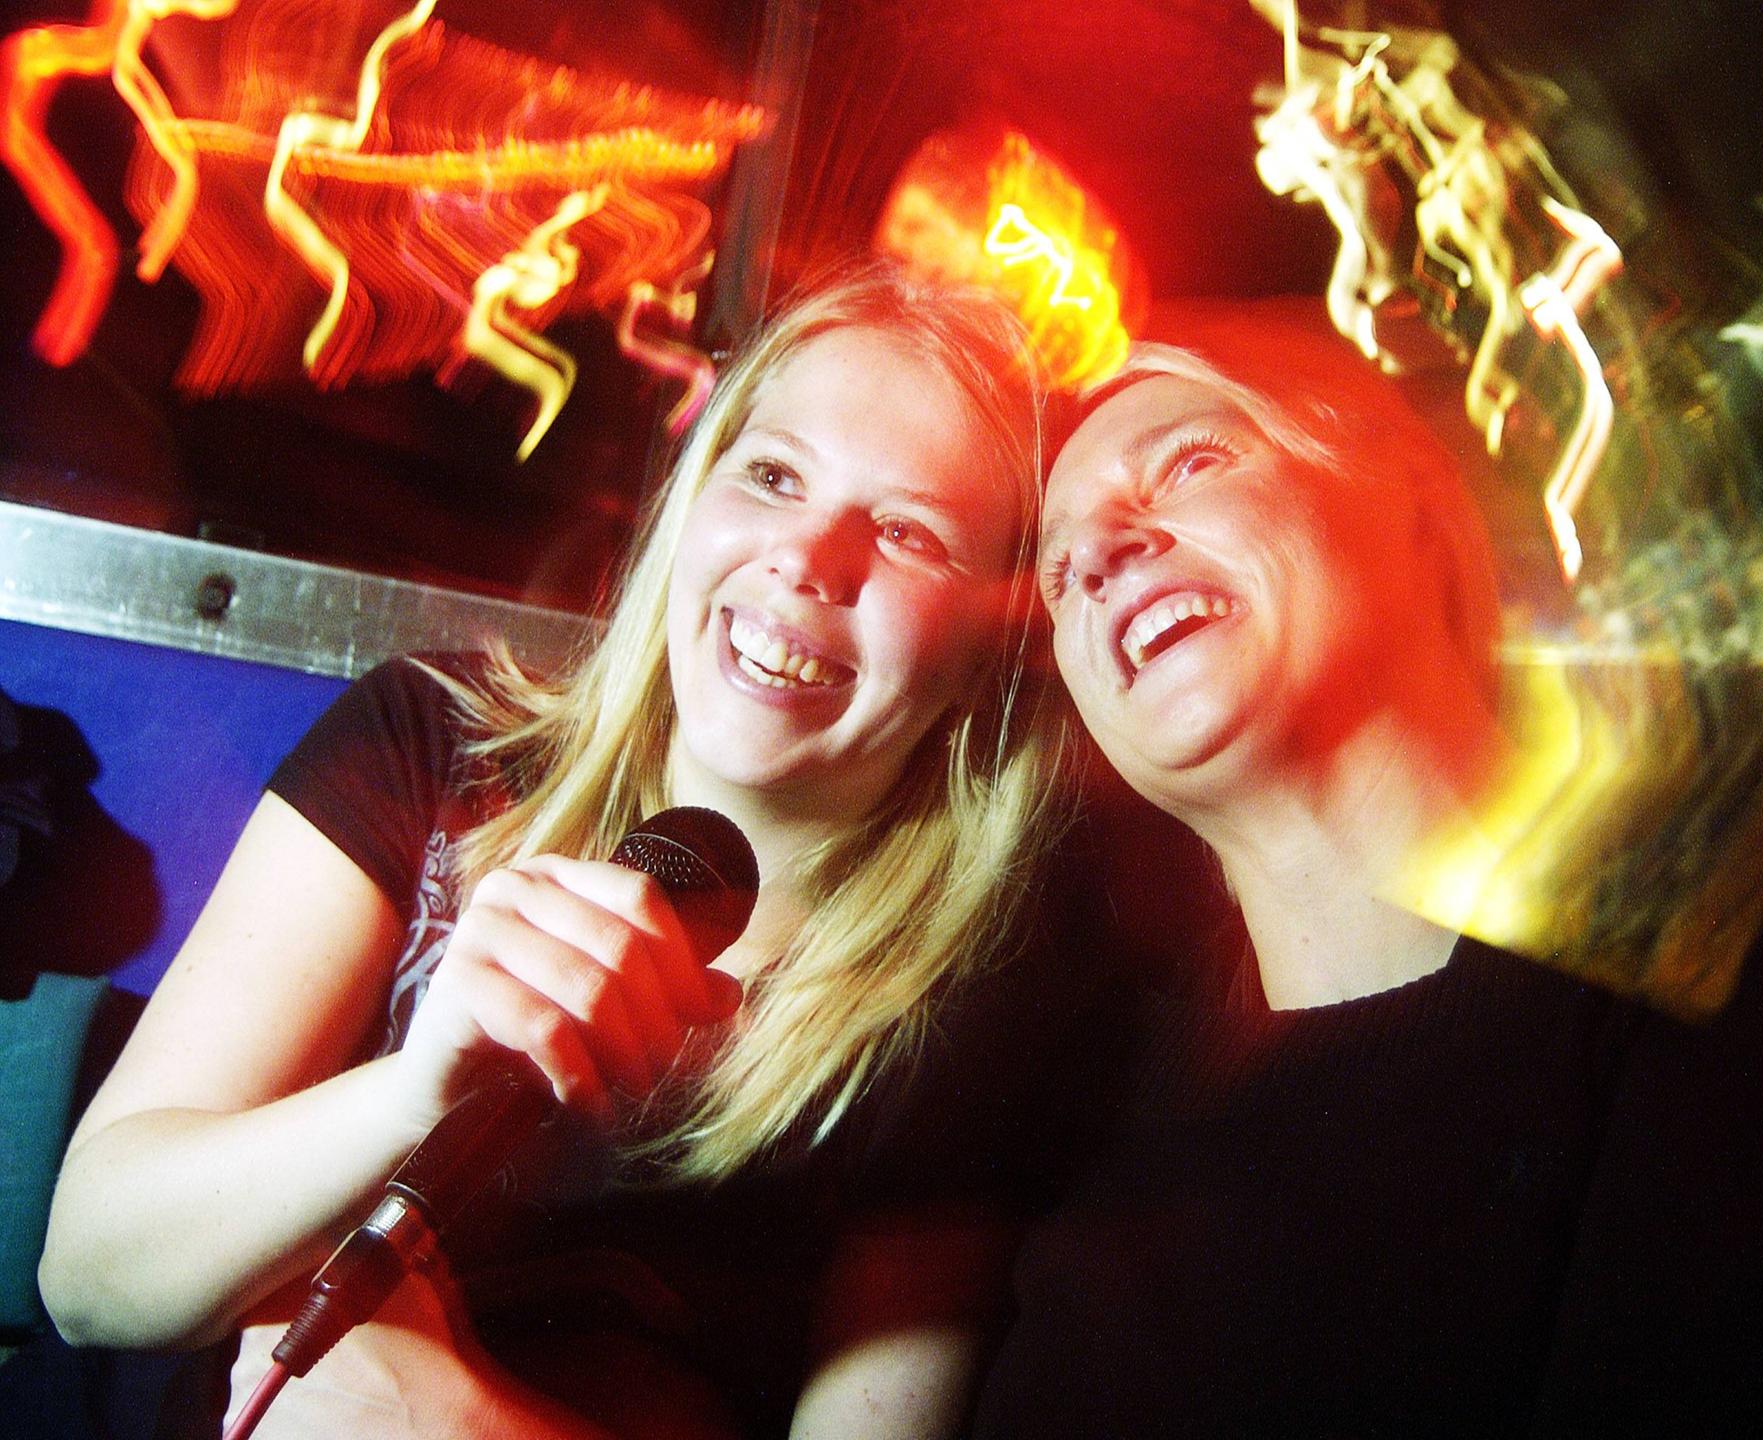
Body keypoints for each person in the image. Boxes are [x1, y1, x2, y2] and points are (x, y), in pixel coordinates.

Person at [37, 261, 1072, 1439]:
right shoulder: (430, 738)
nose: (809, 558)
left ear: (990, 648)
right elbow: (90, 1274)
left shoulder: (969, 1017)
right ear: (692, 502)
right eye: (774, 476)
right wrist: (413, 1093)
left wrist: (470, 1426)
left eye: (908, 532)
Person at [971, 313, 1651, 1436]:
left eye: (1191, 462)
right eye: (1057, 570)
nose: (1094, 556)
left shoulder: (1734, 924)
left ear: (1414, 499)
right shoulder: (1082, 1090)